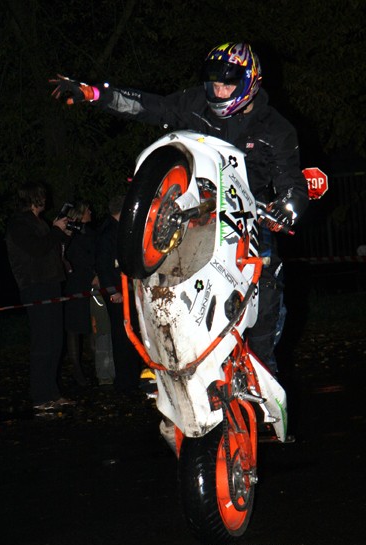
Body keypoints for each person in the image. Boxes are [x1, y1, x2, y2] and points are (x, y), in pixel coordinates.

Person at [50, 41, 309, 374]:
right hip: (195, 211)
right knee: (162, 268)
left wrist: (287, 208)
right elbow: (149, 106)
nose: (219, 91)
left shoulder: (276, 129)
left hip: (246, 215)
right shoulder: (196, 103)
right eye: (214, 84)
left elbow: (292, 185)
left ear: (250, 83)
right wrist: (96, 94)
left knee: (268, 278)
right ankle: (165, 349)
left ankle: (263, 369)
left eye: (227, 85)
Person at [5, 181, 76, 411]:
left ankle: (52, 393)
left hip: (51, 284)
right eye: (41, 195)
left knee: (55, 341)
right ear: (32, 198)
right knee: (43, 342)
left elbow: (51, 249)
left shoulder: (40, 222)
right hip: (35, 287)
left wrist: (64, 234)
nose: (45, 199)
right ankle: (40, 397)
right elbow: (37, 249)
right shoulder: (19, 224)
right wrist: (55, 231)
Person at [95, 195, 143, 396]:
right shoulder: (108, 232)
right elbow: (103, 264)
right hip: (117, 292)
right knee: (122, 336)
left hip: (125, 289)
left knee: (130, 333)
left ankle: (132, 377)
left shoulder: (117, 230)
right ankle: (125, 381)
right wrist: (112, 291)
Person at [63, 202, 98, 386]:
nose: (91, 212)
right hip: (76, 286)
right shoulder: (70, 234)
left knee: (92, 325)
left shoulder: (91, 233)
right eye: (87, 210)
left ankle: (97, 366)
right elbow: (74, 259)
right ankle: (76, 369)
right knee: (74, 329)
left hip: (92, 285)